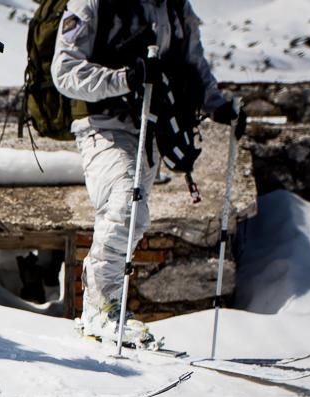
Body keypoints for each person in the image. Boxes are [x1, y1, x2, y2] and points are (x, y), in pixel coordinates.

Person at [51, 0, 244, 345]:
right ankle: (100, 308)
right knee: (126, 203)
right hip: (102, 124)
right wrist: (126, 78)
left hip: (155, 126)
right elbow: (65, 72)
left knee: (133, 213)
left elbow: (193, 61)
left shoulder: (174, 6)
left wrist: (218, 105)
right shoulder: (92, 4)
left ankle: (109, 310)